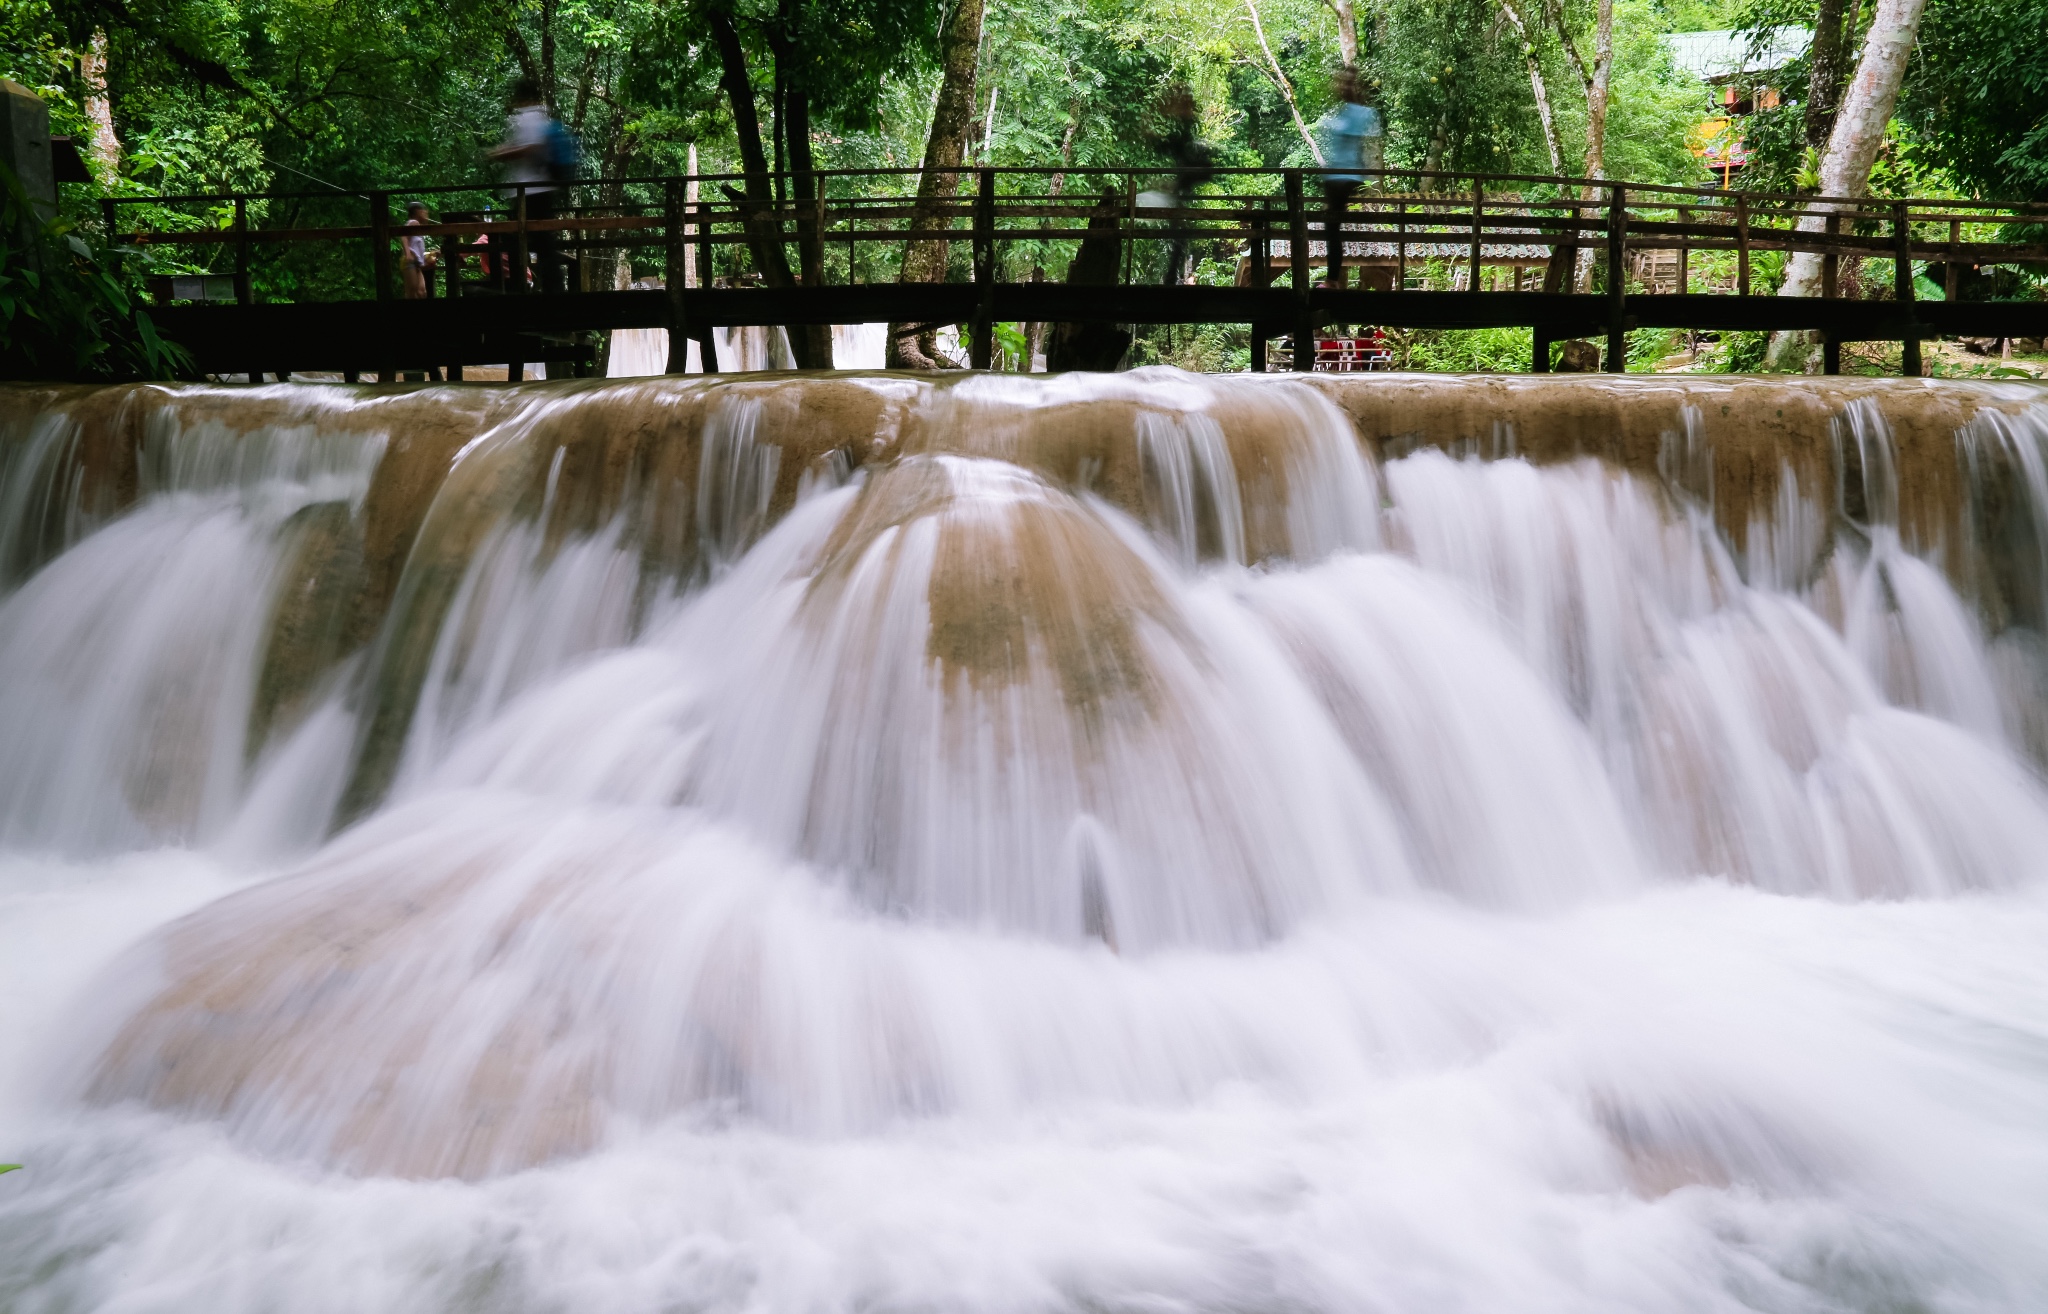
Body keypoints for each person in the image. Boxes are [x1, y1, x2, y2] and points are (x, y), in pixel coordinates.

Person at [489, 78, 577, 294]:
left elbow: (531, 147)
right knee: (541, 241)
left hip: (530, 191)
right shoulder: (541, 117)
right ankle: (551, 288)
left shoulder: (529, 118)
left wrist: (501, 153)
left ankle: (536, 289)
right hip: (539, 188)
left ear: (522, 98)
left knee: (526, 240)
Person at [1313, 70, 1385, 291]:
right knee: (1331, 225)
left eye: (1344, 84)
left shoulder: (1357, 113)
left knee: (1331, 225)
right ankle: (1333, 278)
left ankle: (1333, 279)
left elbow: (1357, 134)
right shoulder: (1348, 112)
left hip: (1344, 176)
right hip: (1341, 175)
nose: (1339, 88)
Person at [400, 201, 437, 299]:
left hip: (416, 263)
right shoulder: (413, 222)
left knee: (422, 292)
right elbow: (404, 236)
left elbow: (416, 246)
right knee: (412, 293)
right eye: (424, 212)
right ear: (418, 212)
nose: (426, 214)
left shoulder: (418, 226)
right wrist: (408, 254)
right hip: (410, 261)